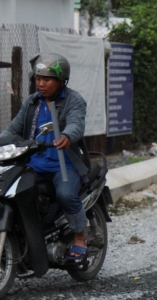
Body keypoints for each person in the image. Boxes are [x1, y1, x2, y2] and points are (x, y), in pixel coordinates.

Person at [0, 53, 89, 261]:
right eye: (38, 78)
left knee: (66, 195)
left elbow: (77, 124)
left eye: (46, 79)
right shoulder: (32, 102)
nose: (41, 83)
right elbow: (13, 129)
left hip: (64, 165)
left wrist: (67, 135)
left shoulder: (74, 100)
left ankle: (80, 238)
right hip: (33, 163)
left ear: (61, 80)